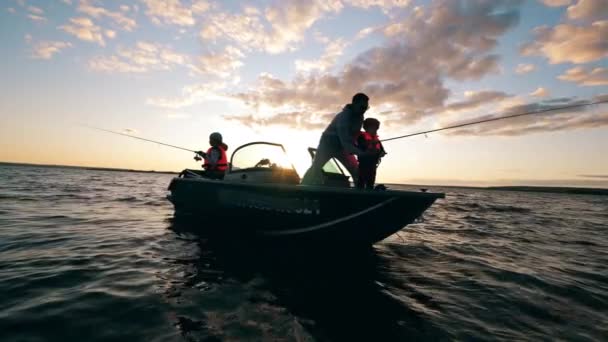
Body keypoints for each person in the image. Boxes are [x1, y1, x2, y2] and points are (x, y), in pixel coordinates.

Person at [300, 93, 373, 186]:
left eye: (366, 108)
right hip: (327, 146)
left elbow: (354, 138)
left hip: (343, 148)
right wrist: (362, 153)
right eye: (362, 107)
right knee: (315, 169)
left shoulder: (360, 117)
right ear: (354, 104)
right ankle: (301, 189)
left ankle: (359, 193)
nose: (364, 110)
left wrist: (365, 146)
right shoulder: (343, 118)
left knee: (356, 171)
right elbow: (346, 142)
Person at [355, 118, 386, 189]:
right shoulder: (361, 137)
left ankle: (369, 192)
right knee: (361, 182)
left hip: (373, 165)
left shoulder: (376, 140)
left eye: (376, 129)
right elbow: (360, 147)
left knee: (370, 182)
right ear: (366, 128)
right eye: (374, 128)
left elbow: (382, 151)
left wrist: (382, 153)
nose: (375, 130)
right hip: (363, 164)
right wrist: (370, 144)